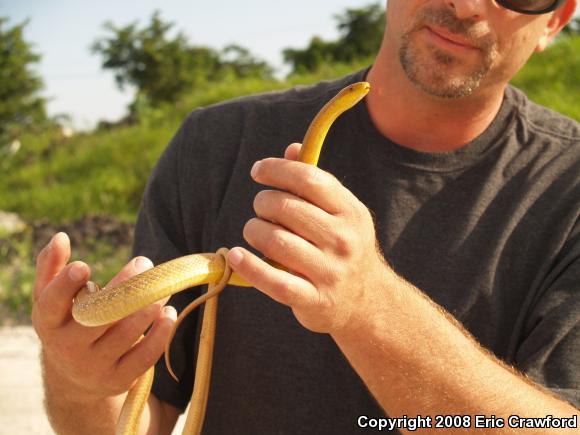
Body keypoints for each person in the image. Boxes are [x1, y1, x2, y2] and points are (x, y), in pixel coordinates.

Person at [33, 1, 579, 434]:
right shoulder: (217, 145)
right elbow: (139, 415)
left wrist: (368, 306)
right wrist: (79, 383)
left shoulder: (567, 188)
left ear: (556, 16)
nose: (465, 4)